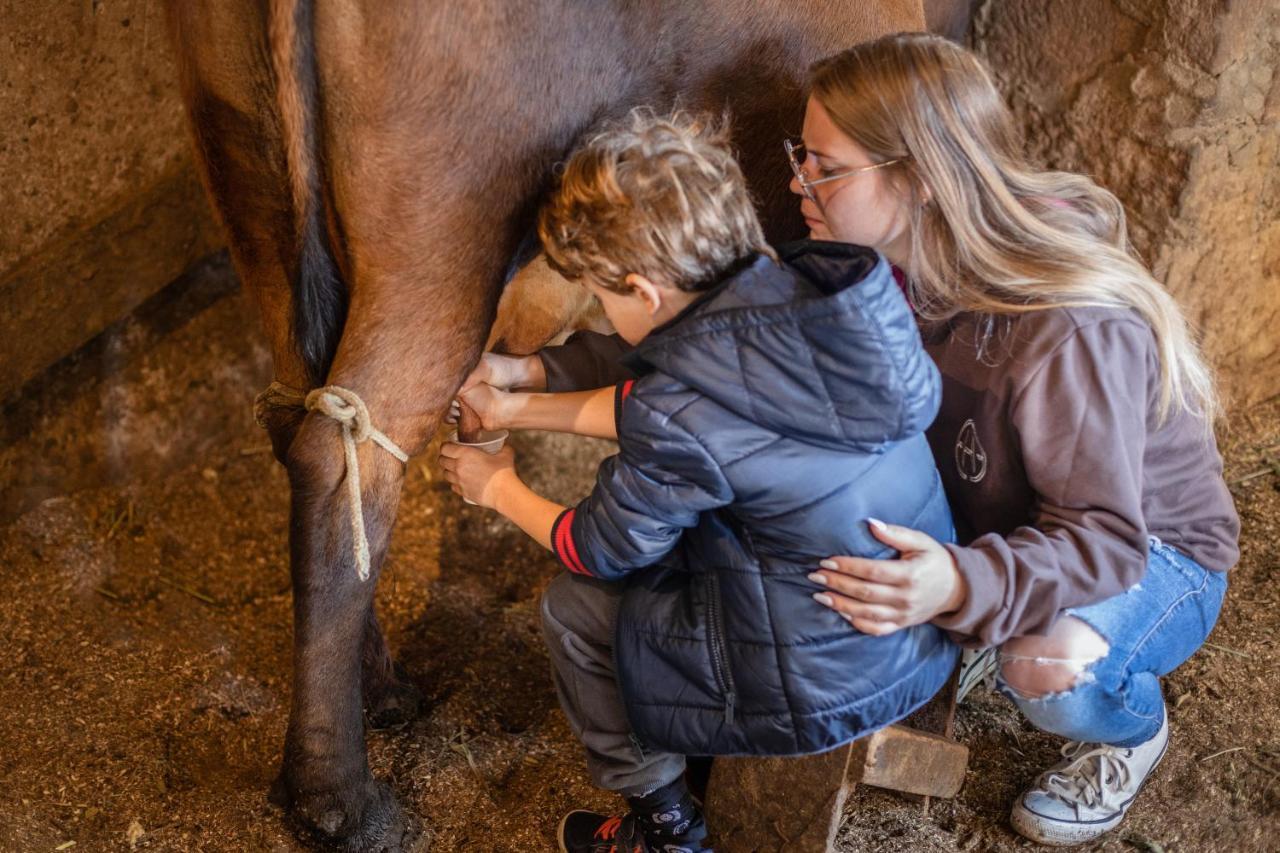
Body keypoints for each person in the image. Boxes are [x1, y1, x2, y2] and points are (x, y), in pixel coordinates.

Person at [459, 34, 1241, 848]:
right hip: (984, 520)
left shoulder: (1063, 333)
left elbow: (1105, 539)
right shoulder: (868, 272)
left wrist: (962, 583)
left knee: (1042, 665)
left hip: (1151, 551)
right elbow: (714, 351)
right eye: (804, 153)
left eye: (825, 166)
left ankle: (1128, 728)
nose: (798, 180)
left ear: (920, 179)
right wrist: (535, 380)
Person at [438, 109, 958, 853]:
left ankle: (666, 827)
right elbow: (671, 390)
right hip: (917, 619)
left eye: (599, 295)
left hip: (823, 674)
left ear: (644, 292)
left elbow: (597, 545)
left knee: (574, 609)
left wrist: (496, 486)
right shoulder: (785, 287)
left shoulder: (679, 411)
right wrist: (525, 382)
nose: (599, 311)